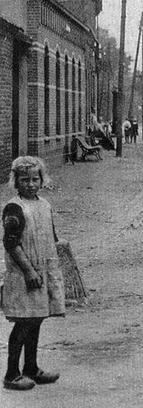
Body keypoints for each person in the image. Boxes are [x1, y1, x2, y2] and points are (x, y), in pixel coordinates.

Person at [1, 156, 64, 391]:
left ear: (42, 180)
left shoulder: (44, 205)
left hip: (43, 272)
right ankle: (11, 374)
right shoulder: (14, 207)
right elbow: (11, 243)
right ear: (16, 181)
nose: (30, 184)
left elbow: (51, 236)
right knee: (23, 322)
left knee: (36, 320)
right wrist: (28, 271)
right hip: (23, 275)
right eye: (24, 180)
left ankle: (31, 367)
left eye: (35, 179)